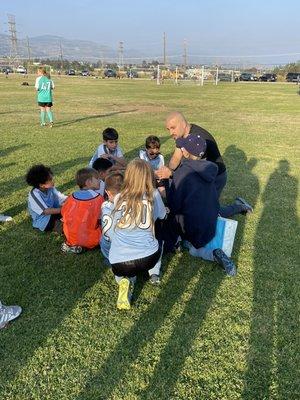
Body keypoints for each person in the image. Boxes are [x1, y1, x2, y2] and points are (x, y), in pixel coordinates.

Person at [164, 134, 236, 276]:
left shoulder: (182, 172)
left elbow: (174, 204)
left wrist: (166, 185)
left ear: (185, 152)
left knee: (190, 246)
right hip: (211, 224)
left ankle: (213, 253)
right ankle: (240, 206)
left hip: (195, 232)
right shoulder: (210, 169)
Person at [156, 111, 253, 217]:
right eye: (168, 129)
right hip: (200, 174)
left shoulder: (199, 140)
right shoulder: (181, 135)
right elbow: (176, 158)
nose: (170, 133)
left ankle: (241, 206)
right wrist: (165, 171)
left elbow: (194, 176)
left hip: (215, 177)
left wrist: (171, 175)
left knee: (208, 213)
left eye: (173, 128)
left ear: (183, 124)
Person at [108, 159, 166, 310]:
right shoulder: (153, 194)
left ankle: (123, 280)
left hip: (119, 262)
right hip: (148, 258)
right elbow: (161, 216)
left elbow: (115, 225)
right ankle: (154, 272)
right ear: (148, 176)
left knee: (121, 269)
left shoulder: (119, 197)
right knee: (159, 233)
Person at [61, 168, 104, 253]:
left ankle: (73, 245)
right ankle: (85, 245)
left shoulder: (71, 196)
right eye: (97, 179)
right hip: (90, 238)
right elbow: (102, 217)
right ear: (88, 182)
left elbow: (63, 212)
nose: (100, 181)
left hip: (70, 235)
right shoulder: (98, 198)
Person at [26, 164, 67, 232]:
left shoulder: (50, 188)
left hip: (54, 212)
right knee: (65, 227)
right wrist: (64, 209)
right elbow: (45, 211)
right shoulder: (34, 195)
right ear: (42, 185)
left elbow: (61, 197)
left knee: (72, 216)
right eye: (50, 180)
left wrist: (73, 198)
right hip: (44, 220)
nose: (53, 181)